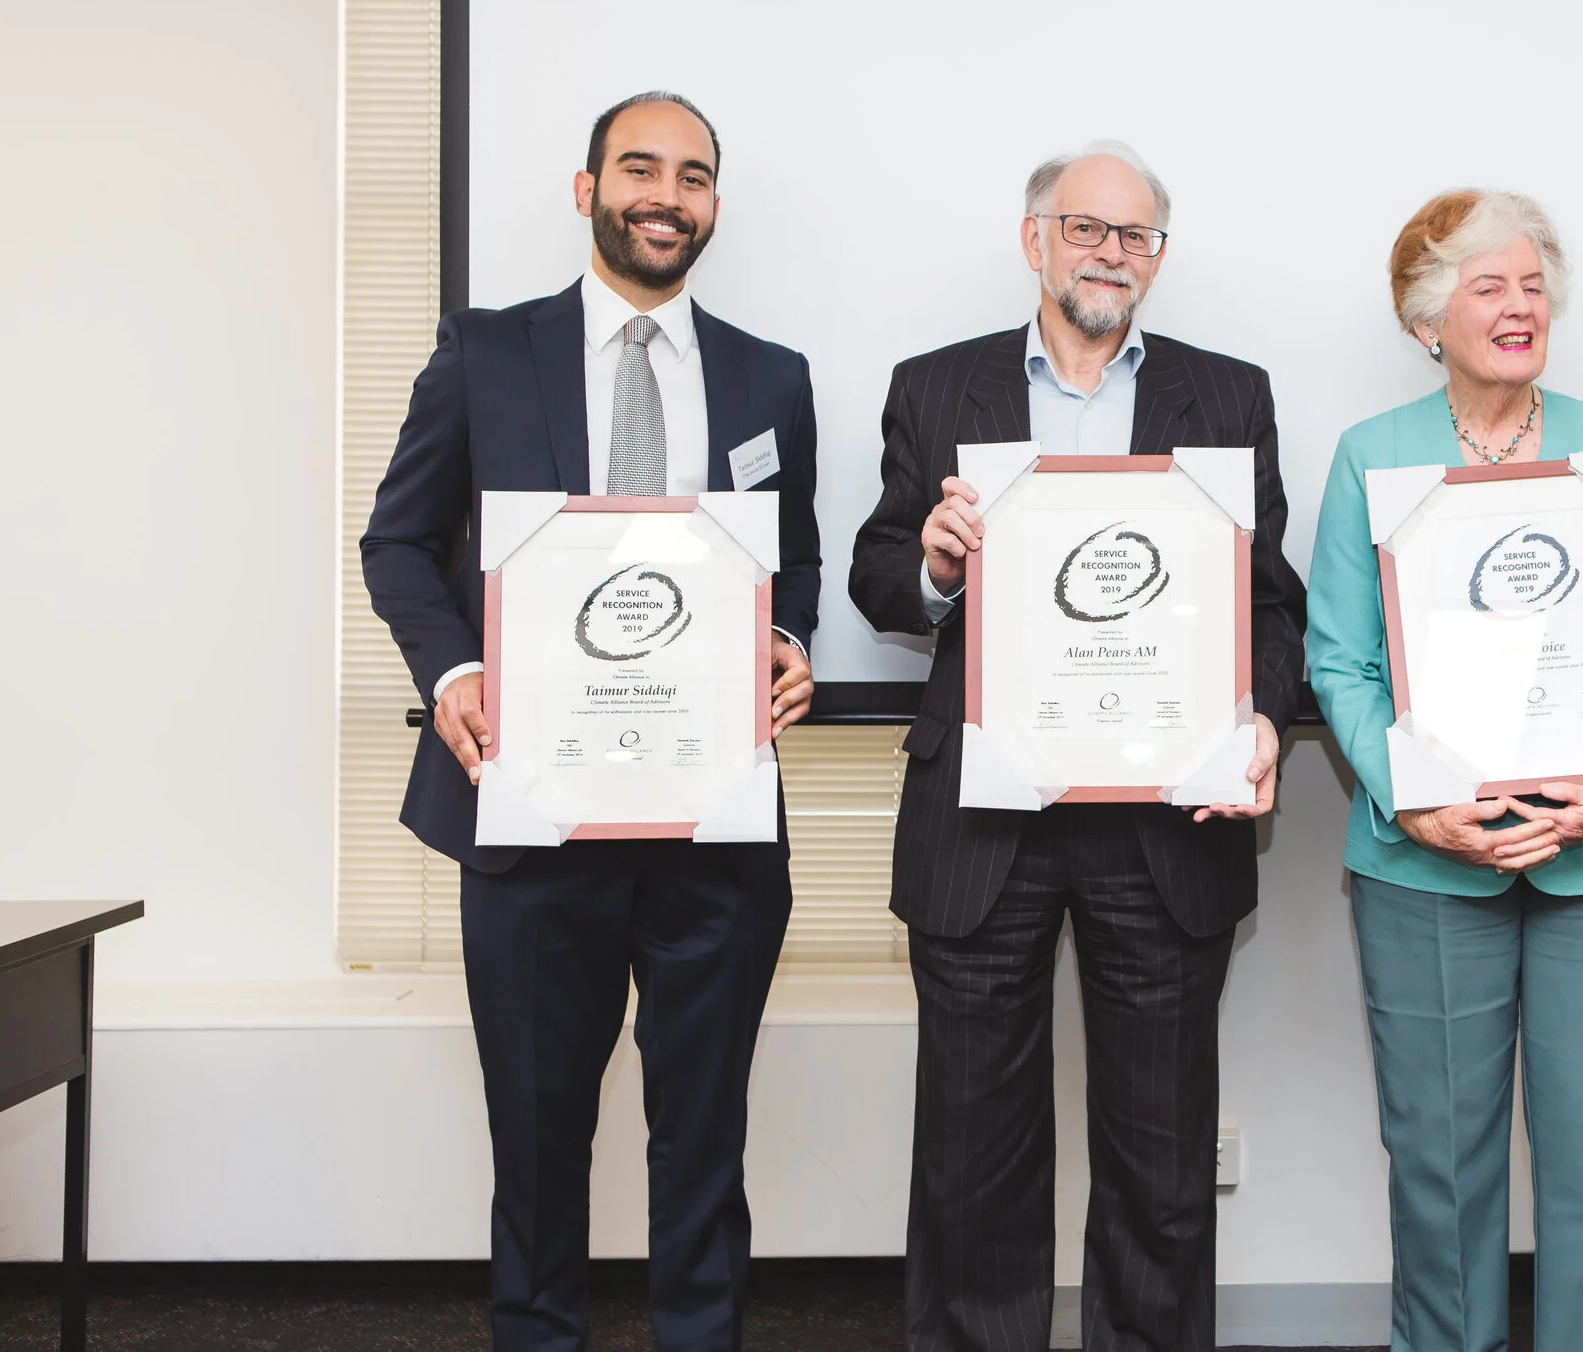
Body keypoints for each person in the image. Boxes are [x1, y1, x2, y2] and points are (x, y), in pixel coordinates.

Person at [360, 92, 823, 1352]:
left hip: (714, 823)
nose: (666, 195)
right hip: (526, 809)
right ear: (586, 188)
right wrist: (455, 672)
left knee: (704, 1137)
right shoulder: (485, 351)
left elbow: (796, 566)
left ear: (714, 204)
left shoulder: (771, 377)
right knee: (536, 1131)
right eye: (640, 168)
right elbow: (397, 539)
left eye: (693, 175)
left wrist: (787, 644)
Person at [848, 140, 1307, 1352]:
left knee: (1160, 1161)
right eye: (1087, 228)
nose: (1111, 252)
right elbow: (875, 571)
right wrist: (937, 564)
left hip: (1163, 818)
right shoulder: (937, 386)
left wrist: (1262, 712)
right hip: (984, 820)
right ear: (1034, 238)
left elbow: (1267, 599)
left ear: (1158, 257)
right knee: (970, 1153)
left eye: (1136, 235)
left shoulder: (1231, 393)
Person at [1305, 189, 1583, 1352]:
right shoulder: (1370, 457)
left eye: (1533, 284)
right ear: (1427, 317)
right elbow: (1338, 658)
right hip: (1428, 864)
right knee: (1439, 1163)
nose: (1519, 304)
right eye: (1489, 285)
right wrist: (1422, 801)